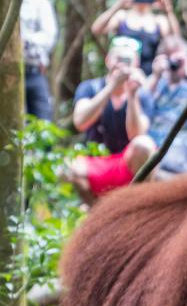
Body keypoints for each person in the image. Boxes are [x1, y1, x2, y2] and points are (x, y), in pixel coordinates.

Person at [66, 36, 156, 202]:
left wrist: (132, 95)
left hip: (126, 163)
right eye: (118, 58)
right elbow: (80, 122)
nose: (122, 64)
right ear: (108, 60)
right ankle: (96, 209)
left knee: (145, 145)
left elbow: (136, 135)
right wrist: (111, 87)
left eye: (127, 60)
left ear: (136, 63)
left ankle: (139, 204)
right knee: (70, 167)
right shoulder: (90, 88)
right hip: (96, 162)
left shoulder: (142, 94)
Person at [0, 0, 58, 120]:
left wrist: (24, 43)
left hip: (33, 74)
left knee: (43, 123)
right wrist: (4, 51)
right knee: (1, 122)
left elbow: (49, 36)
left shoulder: (39, 3)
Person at [145, 36, 187, 176]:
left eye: (178, 59)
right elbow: (141, 104)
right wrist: (156, 76)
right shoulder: (155, 81)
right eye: (169, 59)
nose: (174, 63)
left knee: (171, 160)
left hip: (186, 142)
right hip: (155, 143)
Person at [92, 0, 182, 74]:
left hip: (149, 77)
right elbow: (96, 29)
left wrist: (168, 10)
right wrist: (118, 4)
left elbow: (176, 41)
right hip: (122, 75)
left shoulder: (159, 21)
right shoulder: (122, 17)